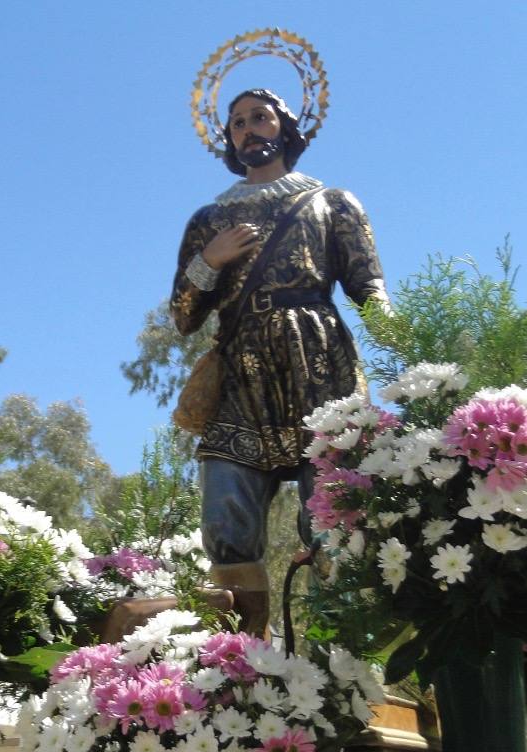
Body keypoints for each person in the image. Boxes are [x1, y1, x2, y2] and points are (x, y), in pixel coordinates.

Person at [170, 88, 389, 633]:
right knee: (225, 509)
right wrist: (209, 259)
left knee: (335, 510)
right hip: (242, 369)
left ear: (285, 129)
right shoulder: (210, 219)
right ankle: (243, 665)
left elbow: (369, 285)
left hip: (320, 360)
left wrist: (413, 340)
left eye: (260, 118)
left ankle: (342, 670)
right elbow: (182, 314)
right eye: (237, 122)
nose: (248, 129)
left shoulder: (333, 202)